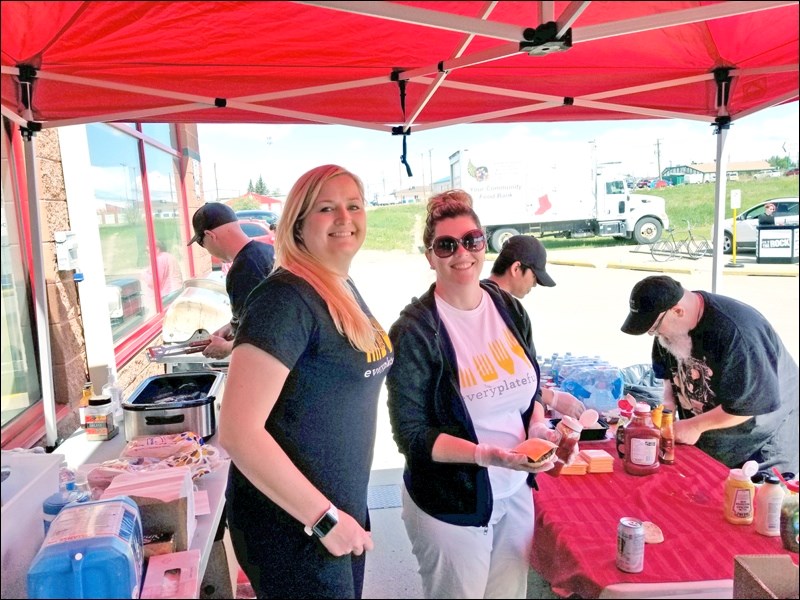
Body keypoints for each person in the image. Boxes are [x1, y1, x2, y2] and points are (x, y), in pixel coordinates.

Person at [218, 165, 393, 599]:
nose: (345, 218)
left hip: (336, 513)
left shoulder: (339, 284)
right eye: (326, 208)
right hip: (294, 528)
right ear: (298, 223)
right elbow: (238, 432)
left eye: (354, 206)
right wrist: (324, 518)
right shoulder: (284, 298)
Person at [386, 190, 569, 600]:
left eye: (472, 240)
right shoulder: (416, 332)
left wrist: (539, 425)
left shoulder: (509, 308)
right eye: (446, 245)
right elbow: (412, 437)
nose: (462, 253)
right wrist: (488, 456)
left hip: (515, 490)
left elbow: (530, 389)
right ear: (429, 256)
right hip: (452, 503)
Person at [620, 275, 798, 474]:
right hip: (712, 436)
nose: (654, 334)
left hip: (759, 444)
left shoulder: (739, 334)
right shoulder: (673, 326)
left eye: (654, 329)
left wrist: (695, 426)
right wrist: (668, 409)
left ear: (678, 311)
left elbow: (748, 406)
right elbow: (667, 375)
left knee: (748, 499)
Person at [485, 234, 585, 419]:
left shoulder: (475, 298)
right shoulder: (507, 309)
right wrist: (551, 398)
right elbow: (500, 377)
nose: (535, 285)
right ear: (516, 268)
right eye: (534, 277)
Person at [187, 202, 274, 359]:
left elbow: (267, 331)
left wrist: (227, 347)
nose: (206, 250)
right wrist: (232, 325)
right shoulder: (266, 251)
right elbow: (265, 314)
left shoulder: (242, 271)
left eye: (202, 243)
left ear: (210, 235)